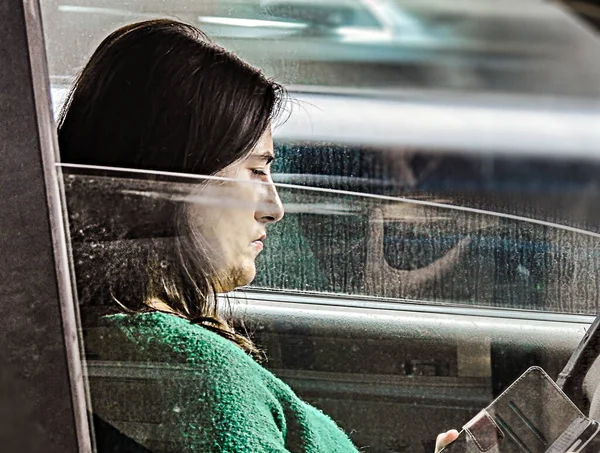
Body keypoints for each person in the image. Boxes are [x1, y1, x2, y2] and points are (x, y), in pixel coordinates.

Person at [59, 18, 459, 453]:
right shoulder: (199, 378)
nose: (274, 207)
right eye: (255, 170)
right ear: (172, 182)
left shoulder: (96, 340)